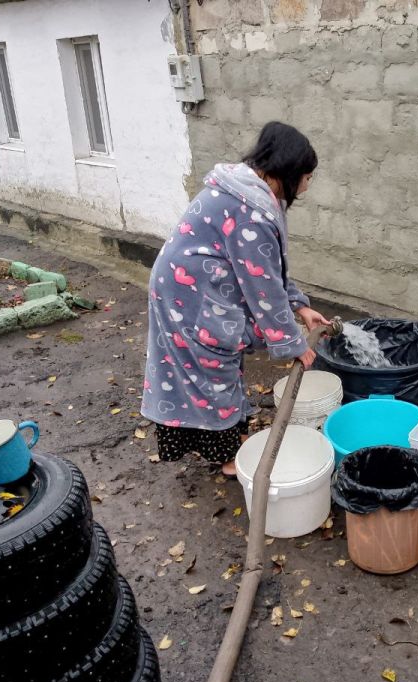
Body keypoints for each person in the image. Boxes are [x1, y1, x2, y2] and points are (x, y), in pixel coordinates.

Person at [141, 122, 330, 476]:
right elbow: (264, 288)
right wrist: (292, 343)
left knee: (217, 362)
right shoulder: (250, 210)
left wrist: (301, 306)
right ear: (287, 172)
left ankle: (229, 438)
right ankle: (228, 457)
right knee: (212, 368)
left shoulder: (248, 189)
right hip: (190, 294)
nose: (307, 186)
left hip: (193, 285)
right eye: (306, 177)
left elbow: (269, 267)